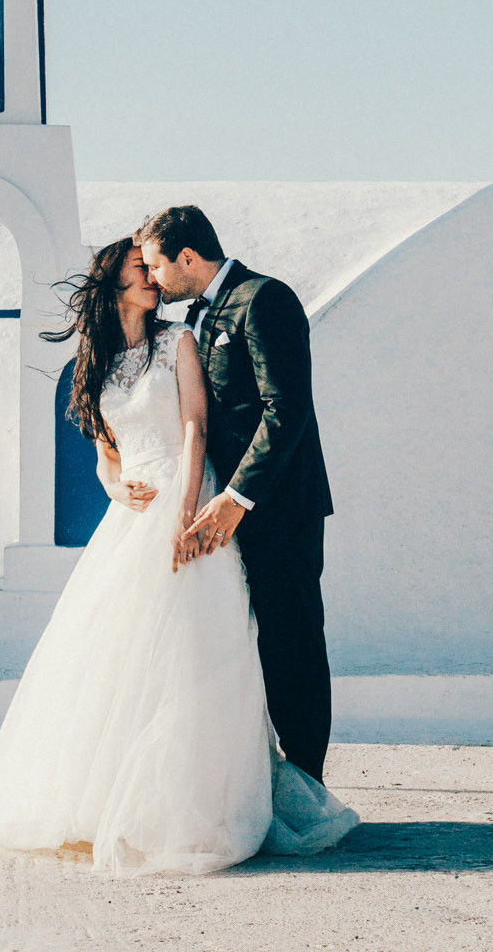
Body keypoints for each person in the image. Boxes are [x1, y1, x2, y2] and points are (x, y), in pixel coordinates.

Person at [0, 236, 356, 874]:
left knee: (199, 653)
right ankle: (107, 803)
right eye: (138, 272)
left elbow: (196, 425)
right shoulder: (97, 363)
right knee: (115, 657)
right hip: (129, 520)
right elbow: (104, 453)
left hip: (187, 503)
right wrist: (115, 486)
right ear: (113, 288)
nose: (151, 278)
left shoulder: (180, 340)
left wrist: (188, 506)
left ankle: (207, 806)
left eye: (152, 266)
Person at [136, 204, 334, 782]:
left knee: (289, 643)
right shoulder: (190, 320)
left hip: (278, 510)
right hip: (219, 510)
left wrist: (235, 499)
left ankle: (306, 784)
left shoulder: (264, 299)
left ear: (188, 257)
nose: (153, 279)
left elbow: (286, 409)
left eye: (157, 267)